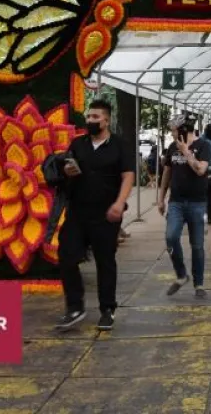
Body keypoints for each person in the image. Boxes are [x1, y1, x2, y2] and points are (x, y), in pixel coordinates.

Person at [55, 99, 135, 332]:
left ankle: (107, 310)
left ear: (106, 120)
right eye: (88, 117)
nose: (90, 121)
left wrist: (119, 204)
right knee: (66, 255)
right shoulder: (78, 144)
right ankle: (75, 307)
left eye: (95, 117)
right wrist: (67, 171)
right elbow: (66, 171)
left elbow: (128, 176)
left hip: (106, 214)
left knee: (105, 261)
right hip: (78, 212)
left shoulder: (120, 145)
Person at [159, 117, 211, 298]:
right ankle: (181, 274)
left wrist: (186, 152)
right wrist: (161, 198)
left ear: (183, 130)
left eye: (174, 130)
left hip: (197, 202)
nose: (172, 134)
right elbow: (167, 172)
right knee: (171, 237)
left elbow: (200, 170)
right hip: (176, 202)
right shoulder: (172, 147)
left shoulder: (203, 146)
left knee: (197, 245)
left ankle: (199, 284)